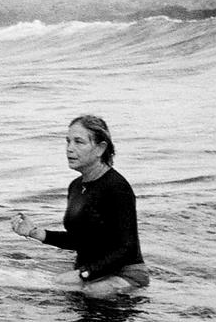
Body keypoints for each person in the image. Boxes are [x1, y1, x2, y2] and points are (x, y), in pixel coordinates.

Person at [11, 115, 150, 297]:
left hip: (125, 274)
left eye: (79, 142)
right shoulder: (76, 187)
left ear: (100, 148)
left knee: (91, 293)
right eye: (68, 141)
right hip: (91, 271)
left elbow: (127, 249)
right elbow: (81, 240)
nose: (69, 148)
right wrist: (36, 233)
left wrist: (83, 275)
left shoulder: (116, 188)